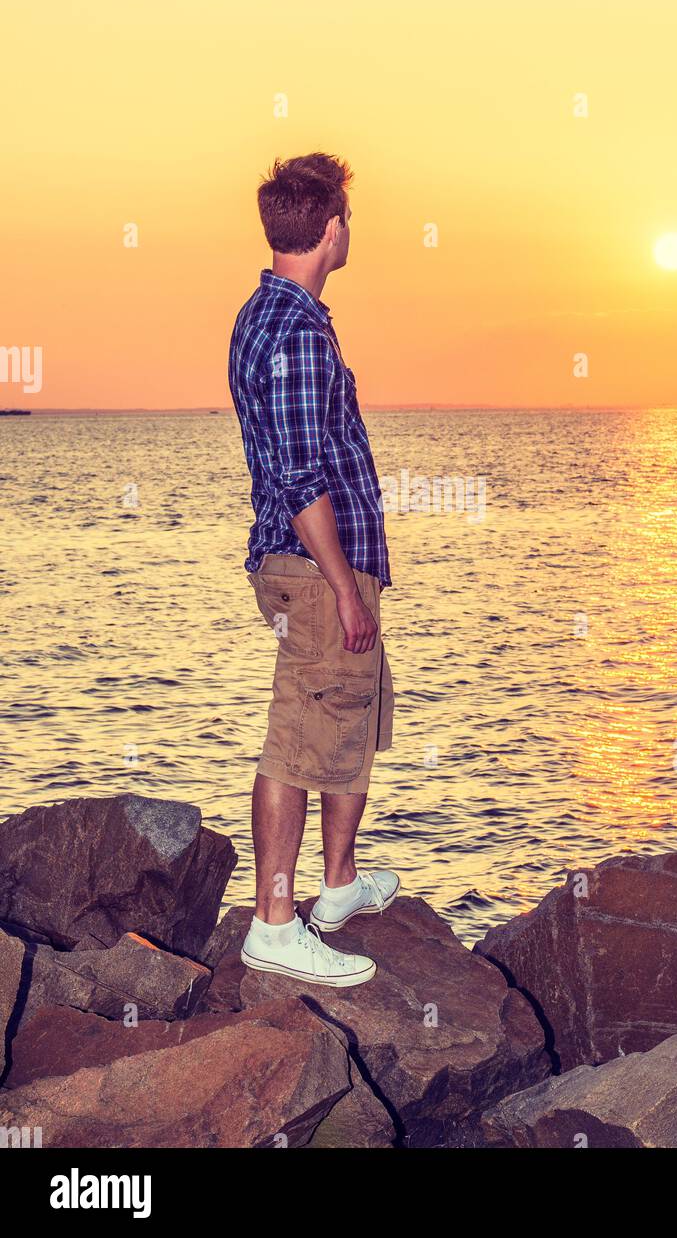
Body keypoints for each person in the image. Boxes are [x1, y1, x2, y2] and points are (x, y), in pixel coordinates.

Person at [228, 153, 397, 986]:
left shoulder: (271, 313)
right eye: (348, 219)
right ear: (331, 228)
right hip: (313, 566)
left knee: (351, 712)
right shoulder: (294, 329)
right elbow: (298, 476)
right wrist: (339, 585)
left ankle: (334, 887)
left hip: (321, 564)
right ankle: (273, 922)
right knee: (298, 739)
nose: (350, 231)